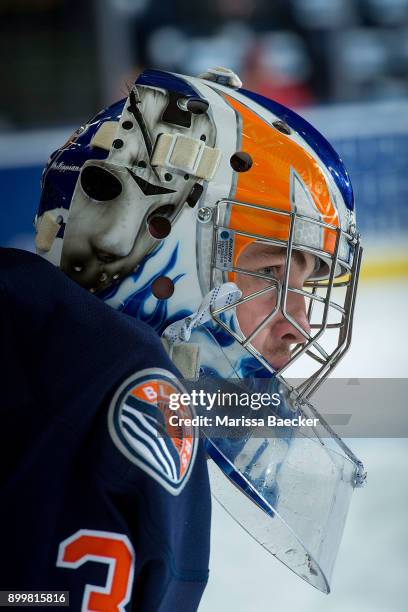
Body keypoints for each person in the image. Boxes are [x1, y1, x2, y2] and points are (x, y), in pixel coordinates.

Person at [2, 66, 365, 609]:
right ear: (144, 227)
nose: (301, 324)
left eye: (307, 284)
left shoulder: (35, 340)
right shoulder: (130, 387)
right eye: (270, 273)